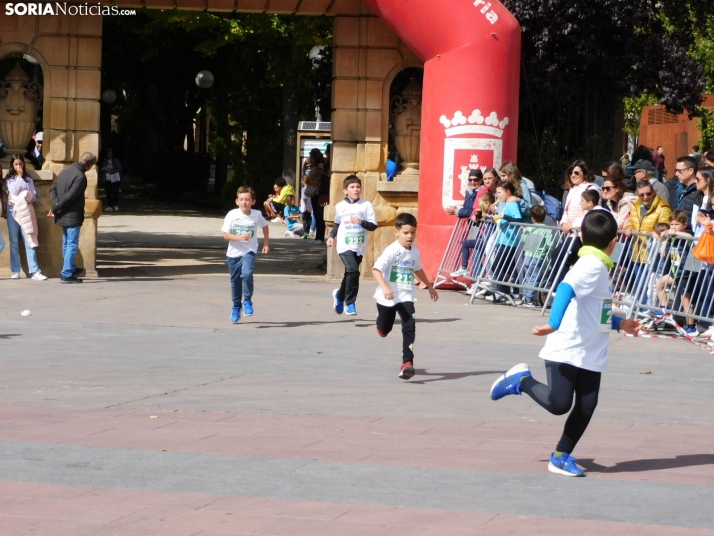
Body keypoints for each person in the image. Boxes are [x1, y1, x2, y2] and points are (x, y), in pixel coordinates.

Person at [490, 210, 641, 477]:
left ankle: (561, 456)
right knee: (559, 404)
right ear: (614, 242)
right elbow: (565, 288)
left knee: (587, 405)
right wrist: (554, 322)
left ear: (581, 237)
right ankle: (521, 380)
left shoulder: (599, 267)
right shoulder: (591, 265)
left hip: (590, 350)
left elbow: (598, 310)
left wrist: (620, 324)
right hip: (568, 347)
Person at [372, 212, 438, 380]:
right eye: (406, 232)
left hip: (406, 295)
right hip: (387, 296)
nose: (410, 236)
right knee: (384, 329)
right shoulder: (392, 250)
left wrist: (430, 286)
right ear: (396, 232)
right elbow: (376, 270)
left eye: (413, 232)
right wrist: (386, 287)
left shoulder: (414, 252)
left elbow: (417, 268)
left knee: (410, 325)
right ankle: (381, 325)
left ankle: (407, 363)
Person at [327, 175, 378, 316]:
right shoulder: (340, 206)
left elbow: (373, 226)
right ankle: (350, 303)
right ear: (345, 190)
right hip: (344, 245)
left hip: (359, 246)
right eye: (352, 187)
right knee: (353, 270)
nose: (356, 189)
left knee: (350, 273)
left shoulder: (366, 205)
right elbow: (338, 223)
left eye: (358, 187)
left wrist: (362, 222)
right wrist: (331, 236)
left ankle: (339, 295)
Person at [221, 186, 270, 323]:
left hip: (249, 250)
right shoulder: (232, 215)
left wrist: (266, 243)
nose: (244, 202)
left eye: (247, 200)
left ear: (253, 202)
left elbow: (265, 226)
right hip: (233, 253)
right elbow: (225, 235)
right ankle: (237, 306)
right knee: (235, 281)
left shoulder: (256, 214)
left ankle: (247, 300)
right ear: (237, 201)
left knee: (247, 273)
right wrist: (239, 237)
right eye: (241, 199)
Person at [49, 152, 97, 284]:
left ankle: (69, 268)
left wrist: (56, 205)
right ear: (90, 165)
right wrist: (56, 208)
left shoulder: (65, 171)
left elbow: (52, 189)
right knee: (71, 243)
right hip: (72, 214)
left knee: (66, 242)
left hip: (62, 213)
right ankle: (67, 273)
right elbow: (70, 196)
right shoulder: (80, 177)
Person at [4, 155, 46, 280]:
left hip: (26, 211)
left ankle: (34, 270)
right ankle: (15, 270)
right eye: (16, 164)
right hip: (14, 211)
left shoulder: (28, 179)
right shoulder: (9, 179)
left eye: (20, 164)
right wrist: (19, 177)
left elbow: (33, 196)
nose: (19, 167)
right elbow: (13, 192)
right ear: (12, 165)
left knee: (29, 239)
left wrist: (23, 184)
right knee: (14, 242)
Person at [491, 181, 525, 302]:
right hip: (504, 239)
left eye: (499, 192)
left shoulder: (512, 204)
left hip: (509, 241)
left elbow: (518, 218)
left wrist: (502, 216)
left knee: (497, 266)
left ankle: (505, 292)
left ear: (508, 192)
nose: (498, 195)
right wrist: (495, 215)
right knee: (502, 267)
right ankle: (504, 292)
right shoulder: (507, 203)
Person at [449, 191, 496, 279]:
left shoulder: (491, 210)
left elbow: (493, 216)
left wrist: (485, 215)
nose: (478, 205)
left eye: (480, 203)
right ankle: (470, 272)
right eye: (470, 180)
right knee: (471, 249)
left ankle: (479, 274)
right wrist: (476, 215)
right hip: (478, 232)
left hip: (487, 239)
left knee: (485, 258)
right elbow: (474, 215)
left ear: (487, 203)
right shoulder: (469, 194)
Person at [520, 205, 556, 309]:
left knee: (528, 277)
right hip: (538, 256)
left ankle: (526, 297)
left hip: (528, 255)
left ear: (532, 218)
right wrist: (552, 250)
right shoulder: (546, 230)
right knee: (534, 278)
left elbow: (524, 239)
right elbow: (549, 244)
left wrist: (525, 231)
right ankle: (529, 299)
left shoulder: (530, 228)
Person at [600, 164, 634, 229]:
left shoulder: (627, 200)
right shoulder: (611, 201)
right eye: (603, 178)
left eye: (606, 177)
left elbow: (618, 224)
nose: (605, 180)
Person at [304, 148, 327, 244]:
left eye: (311, 156)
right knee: (317, 215)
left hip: (318, 192)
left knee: (319, 214)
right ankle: (318, 237)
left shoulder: (320, 167)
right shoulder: (316, 166)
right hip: (315, 192)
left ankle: (320, 237)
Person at [665, 156, 699, 221]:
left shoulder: (699, 190)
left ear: (691, 171)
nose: (676, 174)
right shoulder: (677, 188)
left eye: (680, 171)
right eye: (676, 170)